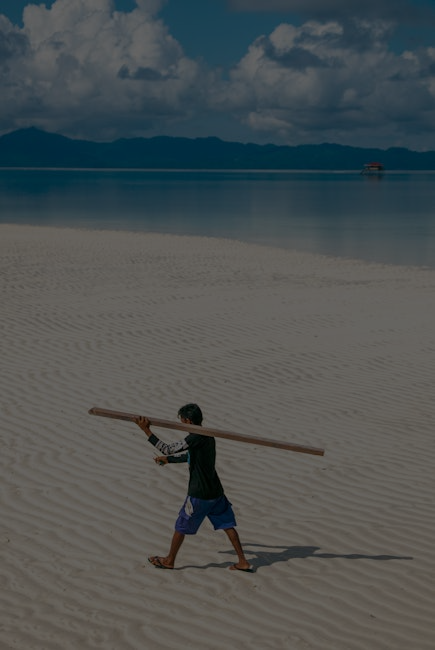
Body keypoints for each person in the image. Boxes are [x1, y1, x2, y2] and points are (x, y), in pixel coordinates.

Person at [134, 403, 253, 572]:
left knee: (181, 526)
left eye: (182, 420)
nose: (181, 423)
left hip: (199, 494)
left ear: (188, 421)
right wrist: (169, 460)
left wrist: (146, 431)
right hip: (216, 492)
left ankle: (169, 560)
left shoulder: (195, 437)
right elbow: (192, 455)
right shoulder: (208, 436)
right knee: (227, 526)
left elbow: (167, 449)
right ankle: (243, 561)